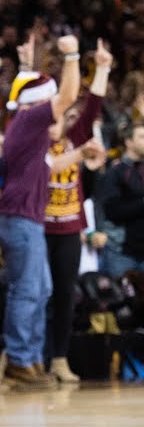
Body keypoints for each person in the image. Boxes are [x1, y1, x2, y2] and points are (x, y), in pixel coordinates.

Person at [0, 35, 83, 389]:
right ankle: (19, 360)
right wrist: (72, 55)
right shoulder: (30, 122)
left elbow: (51, 164)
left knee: (40, 289)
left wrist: (29, 66)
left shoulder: (27, 131)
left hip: (24, 219)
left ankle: (28, 358)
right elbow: (69, 96)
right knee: (28, 290)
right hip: (19, 218)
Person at [42, 40, 111, 384]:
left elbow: (93, 105)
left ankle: (59, 359)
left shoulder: (77, 136)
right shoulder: (35, 139)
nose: (63, 120)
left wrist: (102, 68)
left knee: (66, 294)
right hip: (38, 227)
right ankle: (31, 359)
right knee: (40, 293)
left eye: (67, 116)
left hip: (69, 228)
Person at [98, 123, 144, 277]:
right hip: (122, 252)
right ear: (128, 141)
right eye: (142, 137)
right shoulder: (116, 172)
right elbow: (112, 211)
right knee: (120, 298)